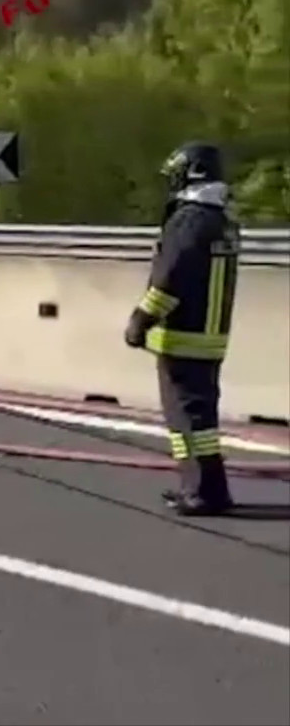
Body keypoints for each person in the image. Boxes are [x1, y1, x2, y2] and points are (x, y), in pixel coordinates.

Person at [123, 141, 241, 516]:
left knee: (186, 419)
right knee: (201, 420)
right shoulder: (222, 221)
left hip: (182, 337)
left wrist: (141, 319)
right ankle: (206, 487)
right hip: (210, 337)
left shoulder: (189, 220)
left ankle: (202, 492)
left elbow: (171, 277)